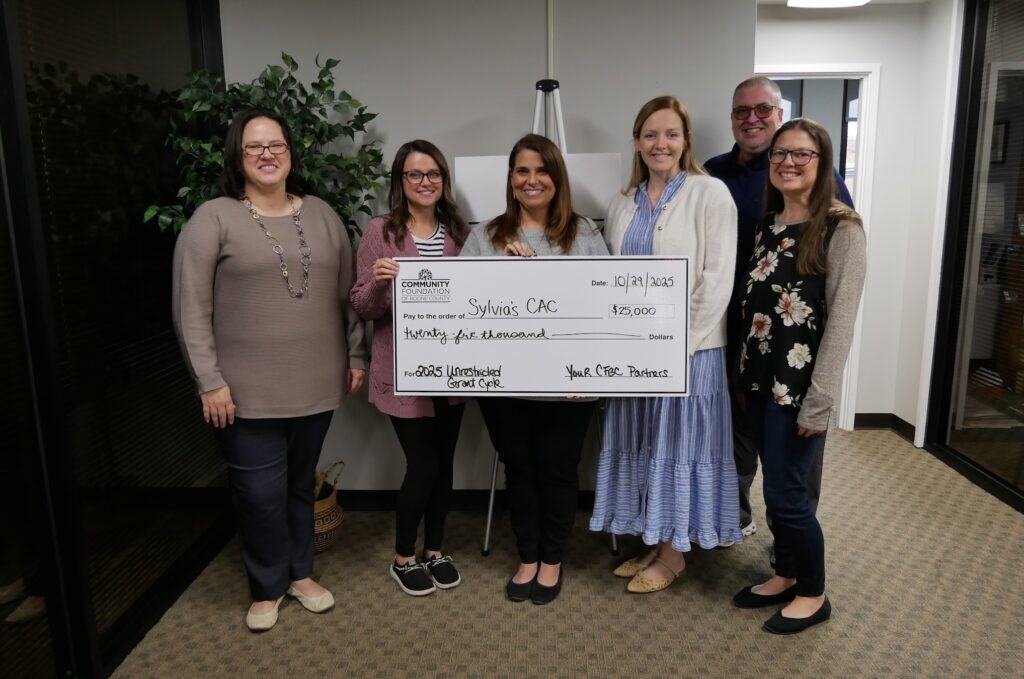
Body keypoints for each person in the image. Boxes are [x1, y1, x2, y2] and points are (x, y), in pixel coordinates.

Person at [172, 108, 367, 631]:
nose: (266, 154)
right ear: (238, 157)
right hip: (243, 392)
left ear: (289, 153)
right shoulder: (213, 217)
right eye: (254, 146)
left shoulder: (323, 214)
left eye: (276, 145)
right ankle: (266, 585)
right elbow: (190, 306)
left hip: (316, 384)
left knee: (300, 485)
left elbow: (348, 294)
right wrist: (209, 380)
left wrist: (355, 354)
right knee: (258, 494)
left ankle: (301, 574)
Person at [590, 96, 741, 593]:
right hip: (632, 357)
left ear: (686, 141)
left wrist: (677, 346)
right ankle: (656, 540)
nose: (661, 143)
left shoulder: (709, 193)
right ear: (636, 142)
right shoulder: (622, 201)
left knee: (676, 448)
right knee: (644, 444)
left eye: (671, 134)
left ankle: (675, 555)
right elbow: (607, 281)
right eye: (650, 134)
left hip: (690, 355)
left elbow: (718, 281)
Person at [731, 118, 866, 634]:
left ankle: (814, 592)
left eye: (802, 154)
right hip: (761, 384)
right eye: (780, 154)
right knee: (774, 492)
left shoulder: (841, 228)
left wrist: (820, 400)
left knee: (789, 496)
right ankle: (786, 574)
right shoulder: (769, 224)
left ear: (822, 161)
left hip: (800, 390)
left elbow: (842, 324)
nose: (788, 162)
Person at [461, 133, 608, 605]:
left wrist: (589, 376)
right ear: (511, 179)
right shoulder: (485, 235)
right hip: (504, 387)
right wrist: (499, 275)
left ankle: (551, 558)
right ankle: (527, 555)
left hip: (569, 386)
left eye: (542, 170)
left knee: (560, 471)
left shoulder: (584, 233)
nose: (532, 180)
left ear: (556, 178)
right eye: (522, 171)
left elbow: (604, 304)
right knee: (519, 470)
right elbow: (461, 304)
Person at [705, 76, 854, 537]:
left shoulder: (826, 192)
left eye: (762, 110)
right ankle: (736, 521)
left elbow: (839, 286)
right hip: (730, 333)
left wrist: (823, 389)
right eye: (741, 111)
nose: (751, 119)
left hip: (794, 349)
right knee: (736, 441)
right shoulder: (711, 172)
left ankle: (791, 540)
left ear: (779, 113)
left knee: (794, 466)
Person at [350, 140, 470, 597]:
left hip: (455, 368)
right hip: (404, 372)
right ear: (400, 182)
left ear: (444, 179)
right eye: (415, 175)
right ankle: (403, 556)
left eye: (434, 174)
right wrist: (380, 284)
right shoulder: (381, 231)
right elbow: (361, 303)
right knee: (422, 465)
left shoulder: (459, 230)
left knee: (445, 464)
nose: (426, 183)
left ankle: (434, 550)